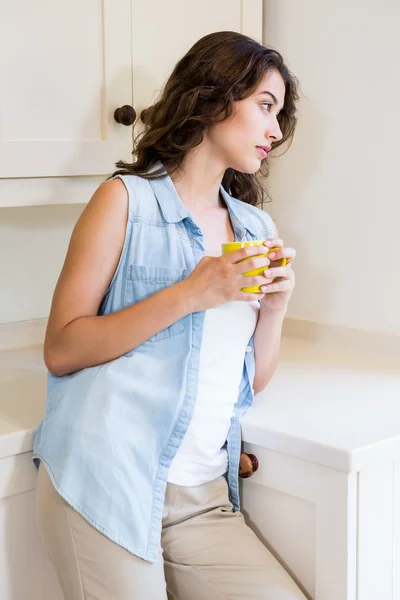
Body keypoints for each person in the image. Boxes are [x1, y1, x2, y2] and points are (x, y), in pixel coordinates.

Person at [33, 30, 305, 600]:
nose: (275, 132)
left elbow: (244, 382)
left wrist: (274, 310)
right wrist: (189, 292)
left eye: (279, 114)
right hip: (107, 478)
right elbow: (62, 347)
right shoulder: (124, 201)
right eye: (264, 106)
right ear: (213, 96)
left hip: (203, 498)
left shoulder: (256, 230)